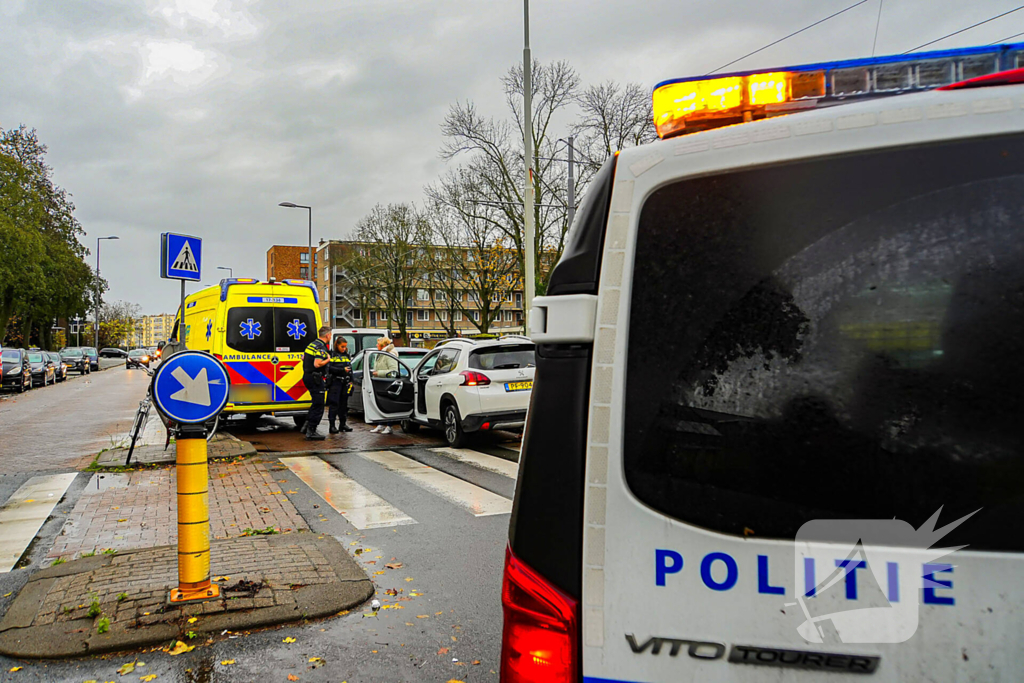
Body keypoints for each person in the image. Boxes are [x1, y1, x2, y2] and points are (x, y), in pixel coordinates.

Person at [301, 326, 332, 440]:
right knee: (319, 405)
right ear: (328, 335)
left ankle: (306, 427)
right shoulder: (321, 347)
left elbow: (303, 357)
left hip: (308, 377)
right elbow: (317, 364)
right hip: (315, 378)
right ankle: (311, 431)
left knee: (315, 403)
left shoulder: (312, 344)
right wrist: (328, 360)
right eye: (330, 335)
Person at [370, 336, 398, 435]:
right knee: (381, 404)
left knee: (387, 404)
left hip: (387, 382)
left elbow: (393, 370)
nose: (376, 345)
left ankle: (389, 426)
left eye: (378, 344)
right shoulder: (381, 354)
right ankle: (381, 424)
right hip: (381, 382)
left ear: (383, 345)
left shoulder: (389, 354)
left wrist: (379, 373)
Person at [326, 337, 354, 434]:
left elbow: (350, 368)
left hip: (344, 383)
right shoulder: (331, 355)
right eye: (342, 346)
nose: (344, 348)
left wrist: (351, 380)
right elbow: (329, 368)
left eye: (345, 347)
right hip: (335, 382)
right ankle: (332, 426)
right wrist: (342, 370)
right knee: (334, 404)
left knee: (344, 405)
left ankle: (343, 424)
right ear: (337, 345)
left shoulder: (347, 355)